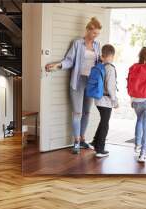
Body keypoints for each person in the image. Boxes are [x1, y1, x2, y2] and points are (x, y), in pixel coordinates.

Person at [45, 17, 102, 154]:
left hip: (91, 82)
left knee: (87, 112)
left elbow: (99, 62)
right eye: (94, 33)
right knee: (77, 112)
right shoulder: (77, 43)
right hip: (78, 81)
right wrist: (57, 65)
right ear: (88, 30)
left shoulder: (97, 45)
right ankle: (76, 141)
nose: (96, 36)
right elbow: (69, 61)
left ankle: (82, 139)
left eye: (97, 34)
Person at [92, 44, 118, 158]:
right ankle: (100, 150)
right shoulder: (110, 68)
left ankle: (95, 142)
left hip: (97, 99)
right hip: (106, 101)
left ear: (103, 56)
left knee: (103, 121)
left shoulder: (101, 65)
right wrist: (115, 101)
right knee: (105, 124)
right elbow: (111, 87)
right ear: (112, 56)